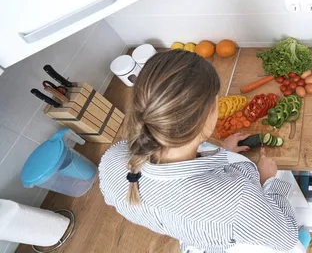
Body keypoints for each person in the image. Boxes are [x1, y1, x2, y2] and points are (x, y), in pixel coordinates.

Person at [99, 50, 299, 253]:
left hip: (197, 241)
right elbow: (287, 238)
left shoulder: (112, 162)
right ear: (208, 116)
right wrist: (268, 182)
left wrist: (219, 151)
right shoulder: (237, 197)